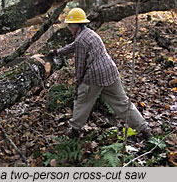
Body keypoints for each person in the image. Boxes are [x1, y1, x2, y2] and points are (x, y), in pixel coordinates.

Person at [48, 8, 152, 139]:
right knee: (123, 103)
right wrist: (58, 51)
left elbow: (80, 66)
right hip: (111, 72)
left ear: (74, 26)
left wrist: (78, 84)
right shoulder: (90, 33)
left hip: (94, 77)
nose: (69, 28)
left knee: (82, 102)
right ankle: (144, 129)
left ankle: (75, 130)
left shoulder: (81, 39)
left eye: (69, 25)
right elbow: (74, 46)